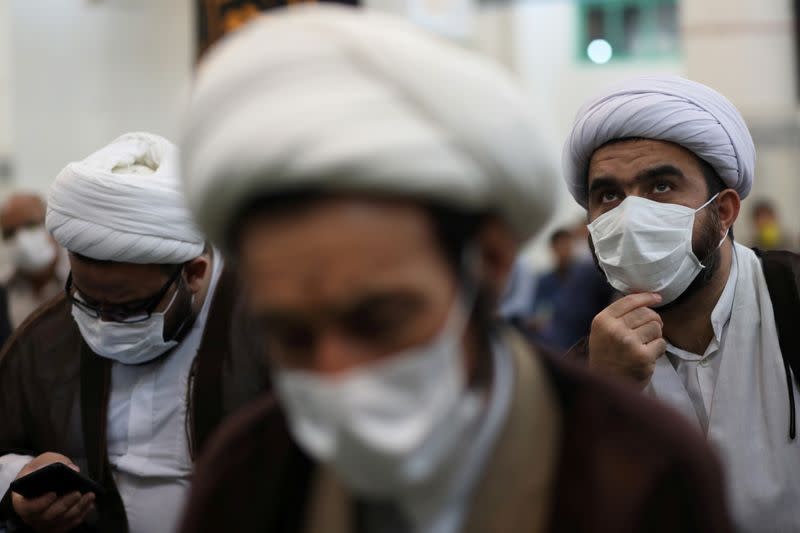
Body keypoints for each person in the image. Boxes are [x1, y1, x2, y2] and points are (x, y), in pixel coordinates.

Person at [177, 7, 732, 533]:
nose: (336, 371)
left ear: (489, 264)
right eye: (292, 335)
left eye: (380, 319)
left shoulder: (641, 468)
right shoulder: (246, 481)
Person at [563, 75, 800, 532]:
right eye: (608, 195)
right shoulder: (587, 370)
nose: (631, 217)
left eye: (661, 187)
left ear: (725, 211)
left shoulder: (790, 299)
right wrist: (605, 397)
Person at [0, 133, 269, 533]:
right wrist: (18, 484)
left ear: (193, 273)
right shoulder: (45, 338)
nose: (103, 322)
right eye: (88, 301)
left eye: (127, 307)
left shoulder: (270, 328)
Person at [0, 193, 66, 346]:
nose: (21, 239)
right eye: (10, 233)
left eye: (30, 225)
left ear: (52, 223)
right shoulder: (3, 289)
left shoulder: (82, 280)